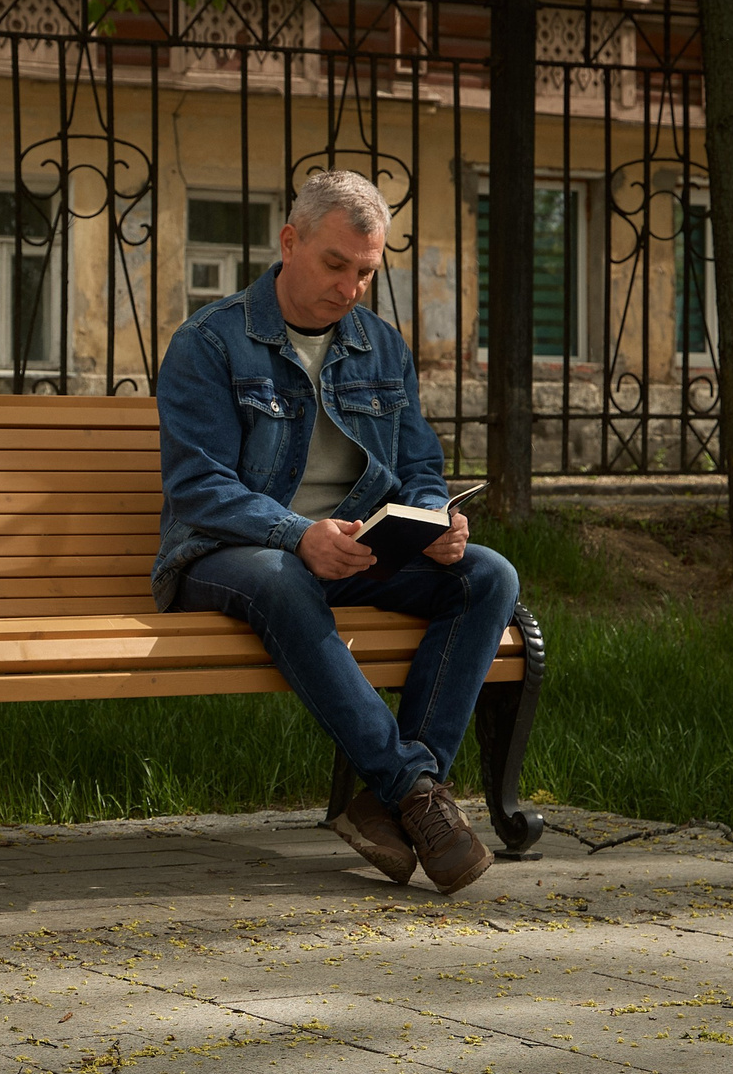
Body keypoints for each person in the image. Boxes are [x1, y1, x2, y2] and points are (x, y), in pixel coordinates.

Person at [153, 169, 518, 895]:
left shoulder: (379, 345)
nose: (350, 288)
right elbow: (199, 488)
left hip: (355, 545)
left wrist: (433, 521)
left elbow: (416, 465)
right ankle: (417, 794)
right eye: (335, 265)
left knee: (488, 575)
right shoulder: (210, 342)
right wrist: (297, 533)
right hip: (231, 552)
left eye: (365, 272)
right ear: (291, 241)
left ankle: (389, 810)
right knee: (284, 574)